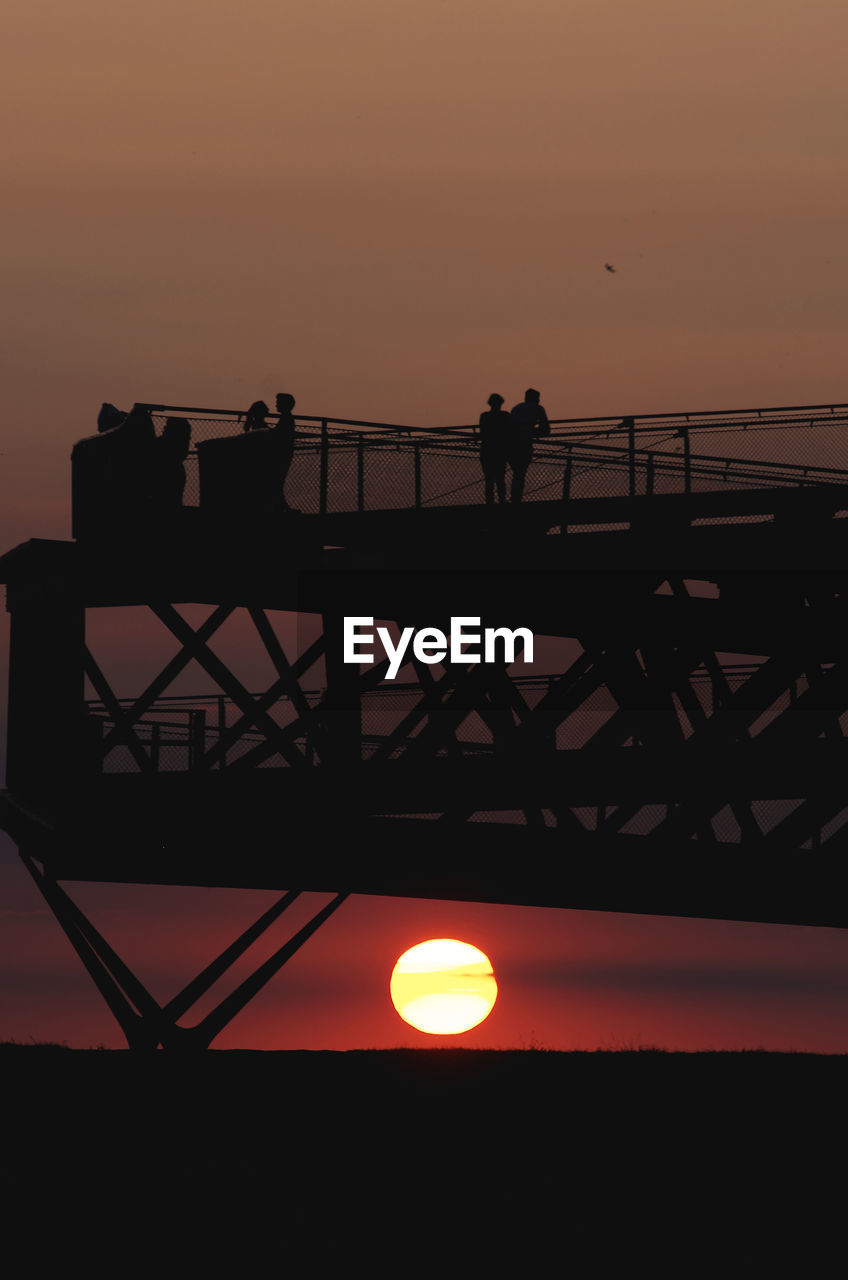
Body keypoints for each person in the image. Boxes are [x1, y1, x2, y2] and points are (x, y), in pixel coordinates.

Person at [507, 387, 550, 503]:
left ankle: (513, 498)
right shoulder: (538, 409)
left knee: (517, 472)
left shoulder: (516, 408)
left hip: (511, 444)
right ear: (536, 399)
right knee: (520, 473)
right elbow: (546, 429)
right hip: (524, 444)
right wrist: (532, 432)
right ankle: (516, 498)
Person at [478, 393, 509, 504]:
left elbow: (482, 433)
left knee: (489, 480)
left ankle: (489, 502)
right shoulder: (505, 415)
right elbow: (510, 432)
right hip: (500, 450)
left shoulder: (484, 416)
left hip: (487, 450)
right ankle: (502, 501)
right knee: (500, 478)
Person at [274, 392, 297, 510]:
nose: (276, 405)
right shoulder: (287, 418)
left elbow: (279, 435)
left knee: (277, 481)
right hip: (284, 454)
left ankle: (280, 507)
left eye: (278, 402)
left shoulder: (286, 418)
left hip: (281, 455)